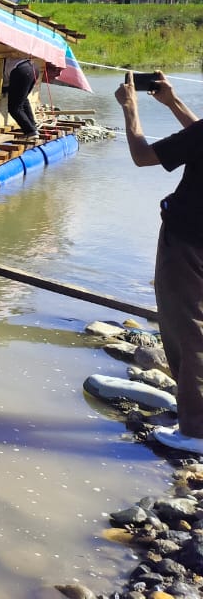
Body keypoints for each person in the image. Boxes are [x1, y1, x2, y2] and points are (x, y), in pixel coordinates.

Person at [115, 70, 203, 454]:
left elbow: (142, 155)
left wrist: (130, 109)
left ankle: (196, 431)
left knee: (188, 329)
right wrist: (173, 104)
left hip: (188, 243)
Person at [4, 55, 39, 140]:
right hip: (34, 68)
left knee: (14, 108)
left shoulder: (0, 69)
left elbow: (6, 85)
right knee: (23, 99)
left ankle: (30, 131)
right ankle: (32, 126)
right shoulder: (7, 61)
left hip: (22, 71)